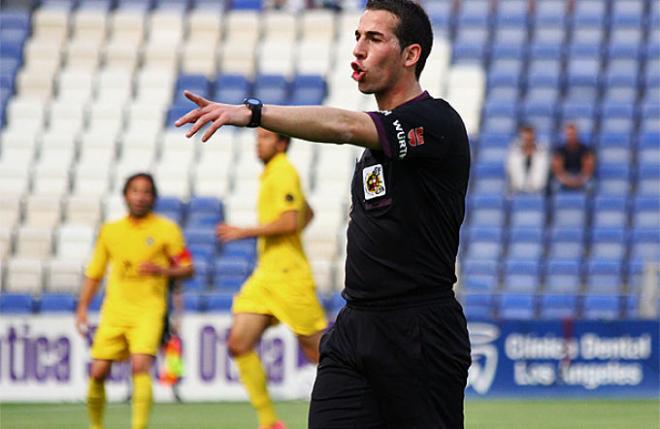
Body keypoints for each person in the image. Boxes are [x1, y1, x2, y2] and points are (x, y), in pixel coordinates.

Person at [176, 0, 472, 427]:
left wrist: (254, 113)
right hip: (355, 327)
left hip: (419, 330)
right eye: (357, 37)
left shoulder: (436, 120)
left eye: (374, 38)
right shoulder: (378, 149)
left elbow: (344, 126)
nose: (358, 49)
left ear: (411, 55)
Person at [216, 128, 326, 429]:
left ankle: (371, 406)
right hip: (266, 275)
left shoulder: (283, 172)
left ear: (282, 143)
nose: (258, 143)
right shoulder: (272, 174)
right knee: (239, 343)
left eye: (265, 138)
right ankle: (269, 423)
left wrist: (243, 231)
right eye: (257, 138)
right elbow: (307, 213)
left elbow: (291, 220)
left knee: (320, 353)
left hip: (289, 276)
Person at [75, 173, 194, 429]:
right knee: (97, 372)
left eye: (146, 192)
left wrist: (162, 271)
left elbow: (187, 267)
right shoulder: (110, 231)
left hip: (149, 309)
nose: (140, 197)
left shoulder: (166, 229)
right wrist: (83, 306)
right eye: (135, 191)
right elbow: (95, 272)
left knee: (140, 364)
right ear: (125, 195)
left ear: (153, 197)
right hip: (115, 309)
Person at [550, 122, 595, 192]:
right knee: (554, 186)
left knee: (590, 185)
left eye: (573, 134)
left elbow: (588, 170)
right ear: (565, 135)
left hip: (580, 177)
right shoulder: (560, 150)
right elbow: (558, 170)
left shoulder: (585, 149)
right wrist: (568, 181)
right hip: (565, 177)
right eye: (569, 134)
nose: (571, 137)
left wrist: (579, 180)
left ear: (577, 135)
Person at [506, 124, 550, 194]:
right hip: (517, 191)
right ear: (522, 138)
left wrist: (534, 187)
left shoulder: (543, 154)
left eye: (530, 139)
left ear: (534, 138)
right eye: (526, 139)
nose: (528, 141)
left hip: (538, 191)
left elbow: (543, 175)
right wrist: (521, 187)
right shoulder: (513, 154)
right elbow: (511, 173)